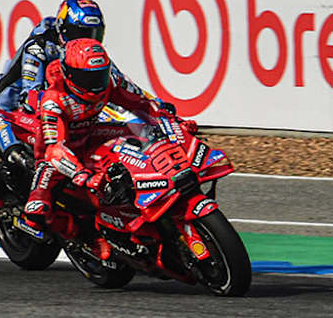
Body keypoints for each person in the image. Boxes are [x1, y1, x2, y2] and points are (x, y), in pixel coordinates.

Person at [13, 38, 196, 257]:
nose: (94, 83)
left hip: (90, 136)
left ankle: (144, 193)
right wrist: (82, 175)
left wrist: (172, 122)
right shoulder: (54, 101)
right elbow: (54, 149)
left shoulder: (108, 84)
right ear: (69, 73)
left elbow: (142, 104)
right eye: (87, 77)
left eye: (99, 75)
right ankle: (68, 232)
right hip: (58, 154)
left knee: (141, 134)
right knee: (38, 208)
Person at [0, 0, 169, 161]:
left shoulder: (86, 54)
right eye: (80, 33)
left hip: (57, 102)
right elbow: (31, 94)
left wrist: (154, 103)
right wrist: (69, 106)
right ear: (63, 29)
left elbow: (121, 82)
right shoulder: (39, 47)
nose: (87, 40)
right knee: (15, 154)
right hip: (12, 106)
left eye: (94, 34)